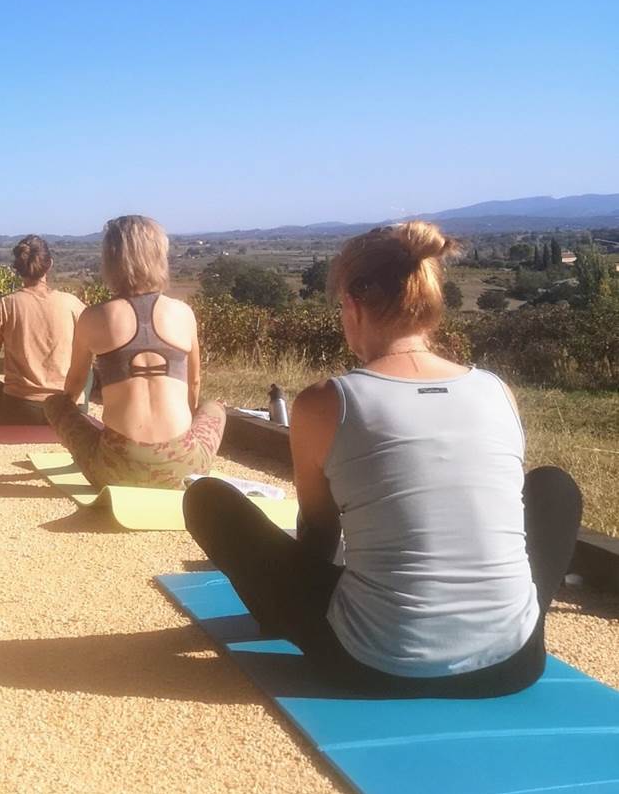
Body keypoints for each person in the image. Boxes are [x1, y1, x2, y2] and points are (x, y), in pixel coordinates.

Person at [183, 221, 582, 696]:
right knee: (555, 485)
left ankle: (291, 620)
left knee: (206, 499)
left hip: (369, 664)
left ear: (351, 306)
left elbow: (320, 533)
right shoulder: (498, 391)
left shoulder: (326, 402)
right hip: (513, 664)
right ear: (431, 306)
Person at [45, 215, 225, 487]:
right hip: (184, 468)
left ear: (110, 260)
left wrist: (74, 416)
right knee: (215, 408)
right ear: (158, 256)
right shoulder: (183, 313)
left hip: (113, 470)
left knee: (55, 404)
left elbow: (75, 384)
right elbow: (194, 382)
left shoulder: (93, 317)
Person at [0, 235, 85, 425]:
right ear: (49, 264)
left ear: (19, 268)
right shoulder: (73, 304)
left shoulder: (6, 304)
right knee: (87, 363)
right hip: (68, 410)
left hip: (20, 410)